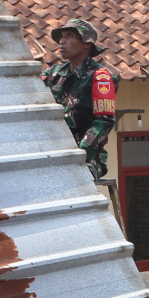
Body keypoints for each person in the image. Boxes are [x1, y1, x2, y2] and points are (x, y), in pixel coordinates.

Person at [42, 19, 116, 180]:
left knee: (69, 181)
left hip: (85, 158)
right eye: (61, 36)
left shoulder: (100, 77)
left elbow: (103, 123)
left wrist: (79, 155)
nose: (62, 41)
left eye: (69, 36)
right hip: (52, 151)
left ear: (86, 43)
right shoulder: (52, 74)